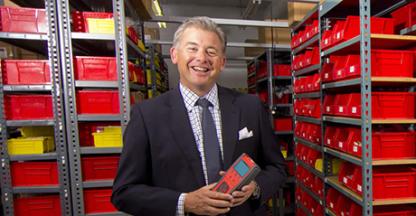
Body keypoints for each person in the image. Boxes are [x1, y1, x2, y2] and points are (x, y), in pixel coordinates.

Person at [111, 16, 287, 216]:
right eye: (192, 48)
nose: (202, 58)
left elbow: (277, 167)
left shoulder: (250, 106)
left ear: (222, 62)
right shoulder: (147, 115)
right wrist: (184, 202)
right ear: (175, 55)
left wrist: (256, 188)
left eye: (211, 51)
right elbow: (124, 192)